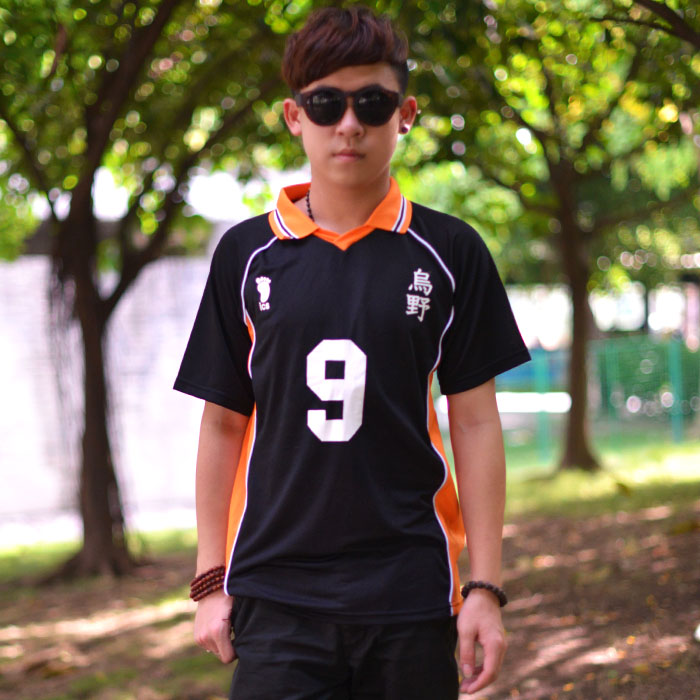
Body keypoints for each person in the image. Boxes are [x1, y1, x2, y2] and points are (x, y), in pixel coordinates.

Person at [175, 6, 530, 699]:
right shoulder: (246, 256)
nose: (348, 124)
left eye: (371, 103)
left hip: (411, 590)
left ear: (405, 114)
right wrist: (210, 580)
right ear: (293, 116)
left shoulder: (450, 252)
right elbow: (221, 424)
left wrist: (484, 588)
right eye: (325, 104)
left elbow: (476, 423)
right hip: (276, 593)